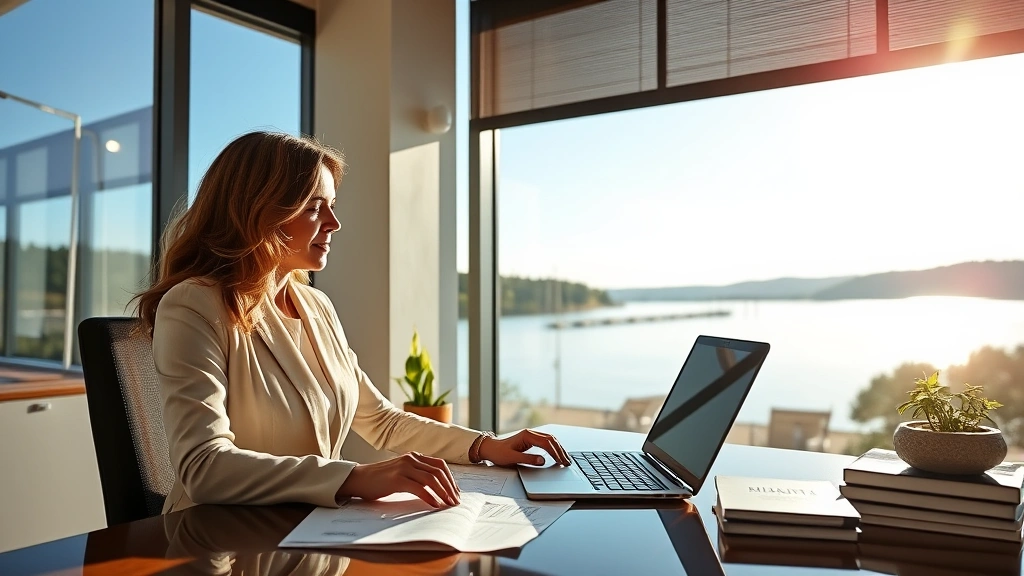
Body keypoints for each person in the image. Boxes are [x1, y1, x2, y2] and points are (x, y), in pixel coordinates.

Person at [135, 131, 571, 514]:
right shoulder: (194, 306)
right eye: (313, 207)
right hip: (219, 543)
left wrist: (484, 446)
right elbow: (204, 466)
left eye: (332, 206)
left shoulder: (315, 306)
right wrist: (357, 478)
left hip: (306, 531)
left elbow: (380, 420)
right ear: (256, 210)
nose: (334, 223)